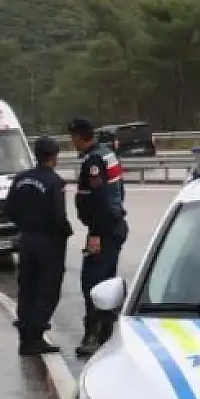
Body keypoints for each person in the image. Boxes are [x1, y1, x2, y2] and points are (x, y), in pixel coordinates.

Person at [5, 136, 73, 356]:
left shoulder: (20, 179)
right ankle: (36, 333)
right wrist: (65, 232)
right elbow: (58, 216)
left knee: (27, 288)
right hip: (48, 241)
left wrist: (25, 225)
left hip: (26, 239)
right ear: (54, 157)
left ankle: (25, 336)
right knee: (48, 289)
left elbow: (9, 209)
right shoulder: (55, 182)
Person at [68, 116, 128, 358]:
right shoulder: (106, 153)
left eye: (73, 136)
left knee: (92, 283)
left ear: (80, 136)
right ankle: (106, 331)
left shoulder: (93, 161)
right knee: (106, 279)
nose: (72, 142)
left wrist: (95, 233)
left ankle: (94, 334)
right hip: (112, 226)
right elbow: (118, 192)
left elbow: (100, 197)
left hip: (103, 229)